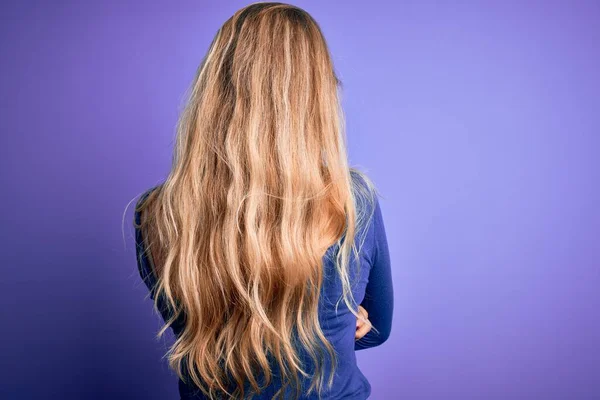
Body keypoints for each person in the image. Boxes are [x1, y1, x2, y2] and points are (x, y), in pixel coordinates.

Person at [133, 2, 393, 399]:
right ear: (316, 96)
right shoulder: (352, 200)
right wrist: (334, 322)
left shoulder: (156, 214)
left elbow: (197, 331)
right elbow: (376, 330)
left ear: (213, 92)